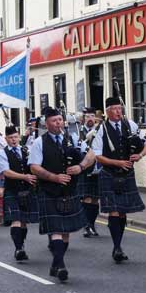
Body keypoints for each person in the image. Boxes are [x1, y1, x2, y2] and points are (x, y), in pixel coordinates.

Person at [28, 107, 94, 282]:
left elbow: (92, 153)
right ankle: (61, 265)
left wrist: (81, 166)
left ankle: (55, 264)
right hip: (49, 191)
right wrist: (54, 177)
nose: (58, 123)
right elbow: (34, 167)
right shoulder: (39, 143)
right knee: (57, 230)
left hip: (70, 190)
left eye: (60, 120)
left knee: (65, 232)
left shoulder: (73, 138)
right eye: (54, 121)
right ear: (46, 124)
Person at [92, 97, 146, 263]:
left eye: (119, 108)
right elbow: (98, 156)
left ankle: (118, 244)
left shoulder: (131, 125)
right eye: (114, 109)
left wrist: (139, 155)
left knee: (122, 211)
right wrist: (118, 163)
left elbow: (145, 144)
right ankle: (117, 247)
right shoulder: (101, 129)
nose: (118, 111)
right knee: (114, 211)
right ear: (107, 111)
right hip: (109, 174)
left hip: (127, 174)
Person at [0, 125, 39, 261]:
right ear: (6, 139)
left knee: (24, 221)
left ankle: (21, 246)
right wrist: (24, 177)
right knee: (16, 219)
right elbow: (6, 172)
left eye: (15, 137)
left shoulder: (27, 150)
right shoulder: (2, 153)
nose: (14, 140)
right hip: (12, 190)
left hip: (27, 190)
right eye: (10, 138)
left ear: (19, 137)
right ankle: (18, 248)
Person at [78, 107, 101, 238]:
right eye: (87, 116)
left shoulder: (100, 130)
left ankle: (92, 224)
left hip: (98, 167)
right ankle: (86, 226)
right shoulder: (79, 131)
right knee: (86, 197)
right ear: (84, 118)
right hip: (85, 167)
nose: (90, 118)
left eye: (92, 116)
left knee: (95, 199)